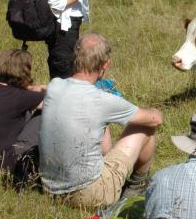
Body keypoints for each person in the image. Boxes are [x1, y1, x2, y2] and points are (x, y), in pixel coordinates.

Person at [38, 33, 162, 209]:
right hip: (89, 195)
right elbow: (154, 120)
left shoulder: (54, 86)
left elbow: (105, 149)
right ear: (106, 64)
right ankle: (137, 187)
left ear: (75, 58)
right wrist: (156, 110)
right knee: (145, 128)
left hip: (50, 191)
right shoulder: (102, 99)